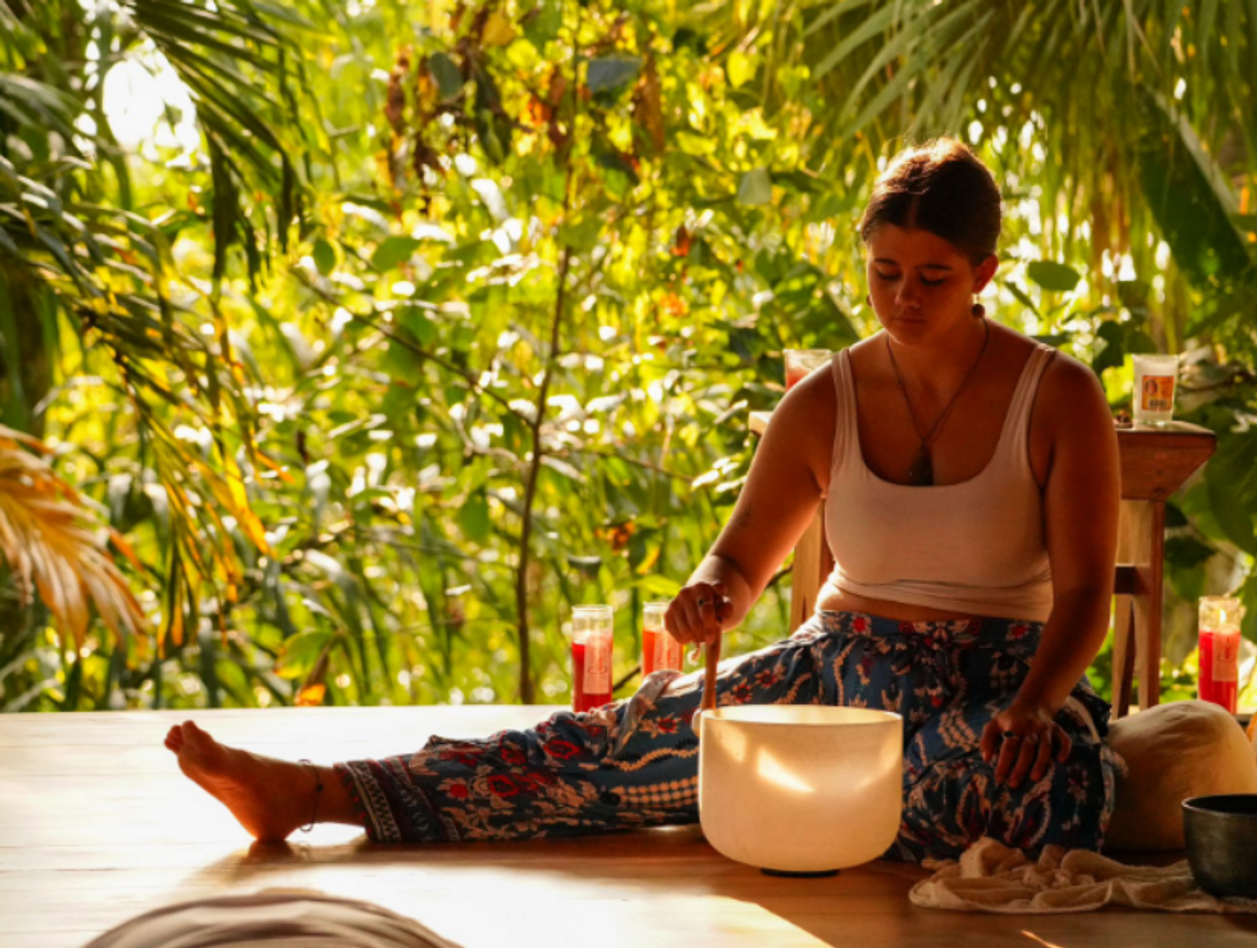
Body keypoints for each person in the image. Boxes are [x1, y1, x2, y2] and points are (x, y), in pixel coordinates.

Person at [166, 138, 1123, 865]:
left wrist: (1034, 708)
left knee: (1032, 790)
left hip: (1003, 686)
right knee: (606, 742)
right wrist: (710, 594)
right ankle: (315, 794)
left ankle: (793, 804)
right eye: (884, 273)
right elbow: (738, 561)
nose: (903, 298)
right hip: (836, 678)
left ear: (984, 274)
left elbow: (1084, 597)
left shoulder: (1058, 396)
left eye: (932, 279)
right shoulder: (824, 401)